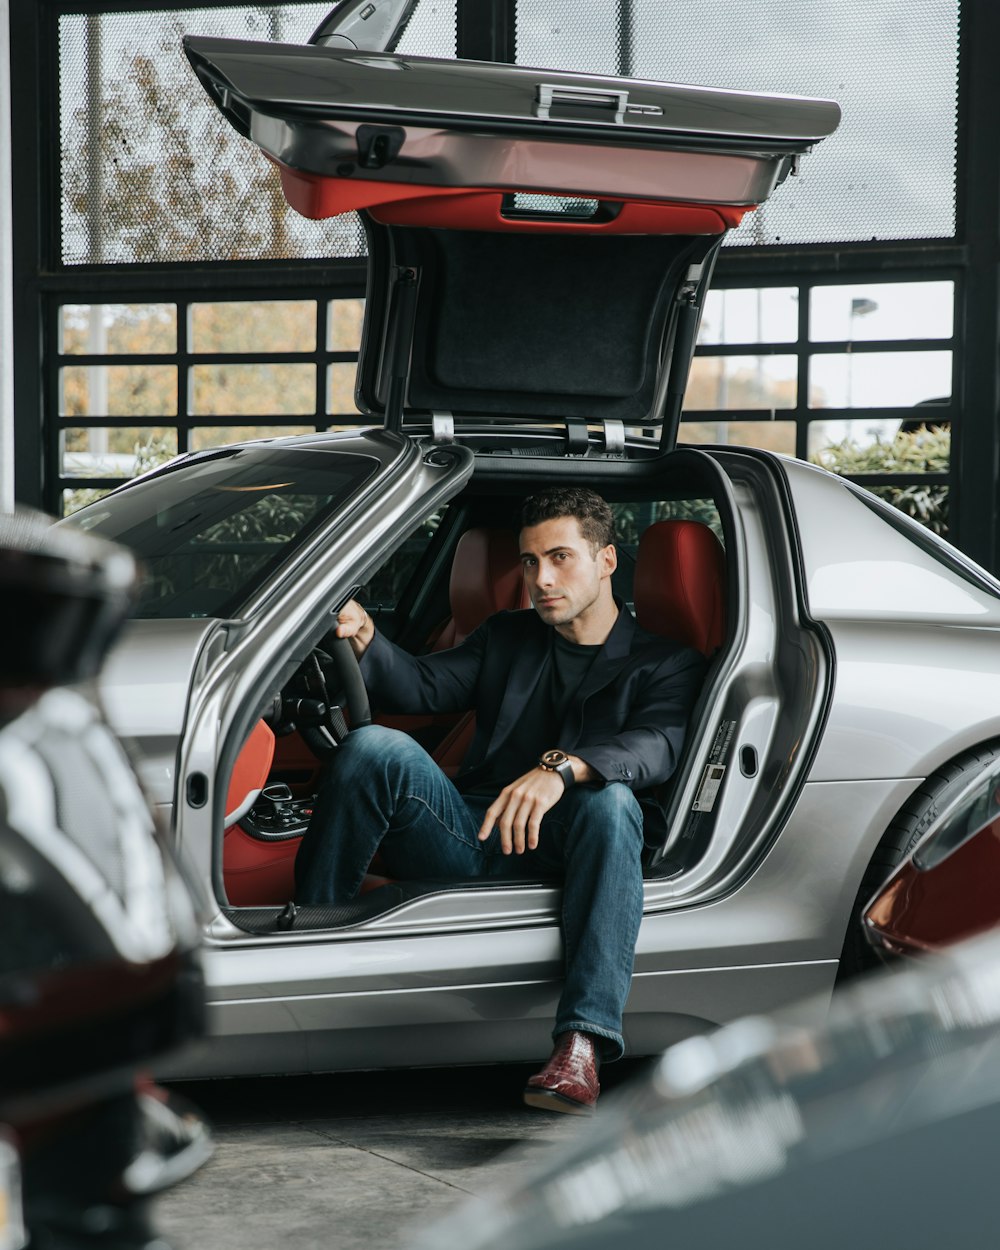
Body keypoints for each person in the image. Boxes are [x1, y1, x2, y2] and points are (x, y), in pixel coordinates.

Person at [294, 487, 706, 1113]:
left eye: (561, 558)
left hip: (577, 850)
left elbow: (656, 746)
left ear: (607, 562)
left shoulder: (668, 662)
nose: (542, 578)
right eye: (531, 562)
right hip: (470, 831)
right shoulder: (507, 636)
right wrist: (367, 636)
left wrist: (562, 768)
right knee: (374, 745)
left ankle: (582, 1046)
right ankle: (310, 957)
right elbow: (424, 686)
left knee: (613, 803)